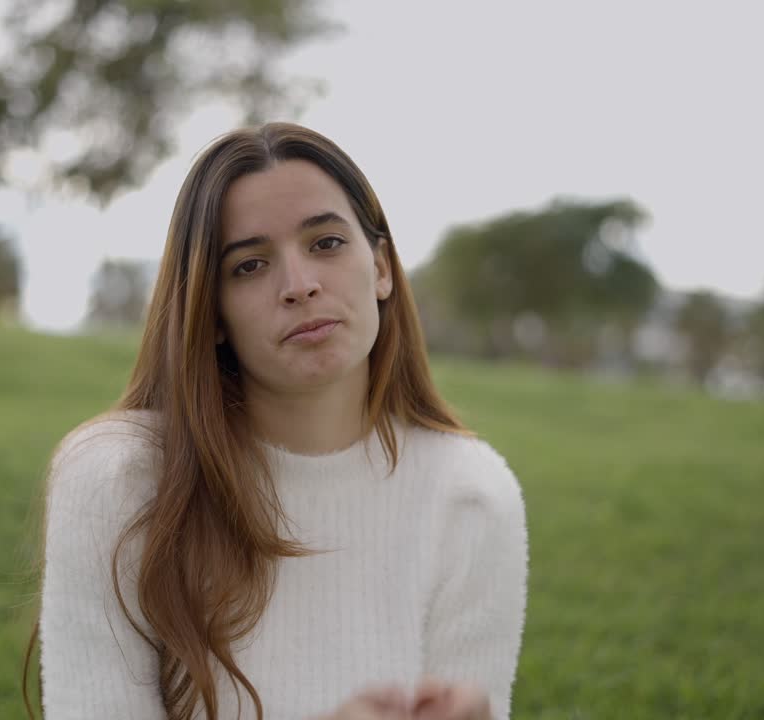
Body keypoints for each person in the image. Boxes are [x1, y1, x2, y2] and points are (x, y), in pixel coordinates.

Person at [27, 122, 529, 720]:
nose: (299, 285)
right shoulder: (116, 477)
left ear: (382, 268)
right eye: (249, 266)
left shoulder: (472, 495)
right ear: (211, 313)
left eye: (326, 243)